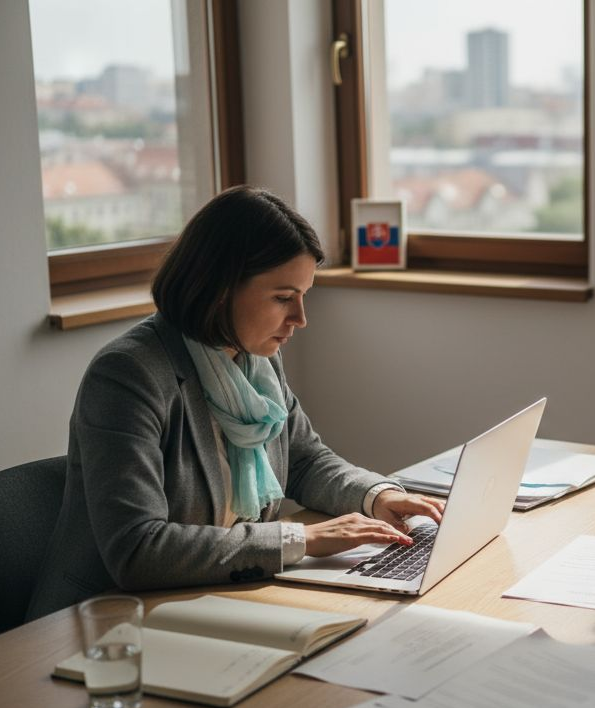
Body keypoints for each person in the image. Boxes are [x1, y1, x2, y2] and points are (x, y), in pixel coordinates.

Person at [28, 186, 445, 618]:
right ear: (219, 288)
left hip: (214, 597)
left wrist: (376, 496)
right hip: (108, 621)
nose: (300, 319)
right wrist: (300, 540)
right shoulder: (127, 375)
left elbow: (303, 460)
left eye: (304, 296)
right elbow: (138, 548)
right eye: (283, 298)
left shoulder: (255, 361)